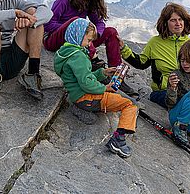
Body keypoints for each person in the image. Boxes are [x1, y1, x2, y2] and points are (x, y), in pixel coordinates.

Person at [44, 0, 139, 99]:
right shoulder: (64, 0)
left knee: (111, 32)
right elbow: (48, 24)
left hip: (81, 42)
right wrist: (74, 29)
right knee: (77, 23)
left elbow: (100, 23)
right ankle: (94, 61)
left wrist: (96, 35)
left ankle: (115, 74)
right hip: (55, 40)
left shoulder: (87, 3)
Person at [54, 18, 138, 158]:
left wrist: (102, 72)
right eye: (88, 40)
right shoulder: (78, 56)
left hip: (78, 96)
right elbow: (86, 83)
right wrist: (105, 88)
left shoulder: (65, 52)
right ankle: (118, 140)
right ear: (78, 36)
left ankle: (78, 107)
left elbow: (82, 77)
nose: (89, 44)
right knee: (130, 105)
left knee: (118, 103)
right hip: (88, 97)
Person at [120, 2, 190, 107]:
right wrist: (123, 49)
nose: (178, 23)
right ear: (165, 23)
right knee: (186, 99)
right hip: (162, 92)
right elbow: (141, 63)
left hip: (186, 90)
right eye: (173, 20)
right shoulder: (155, 42)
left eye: (180, 19)